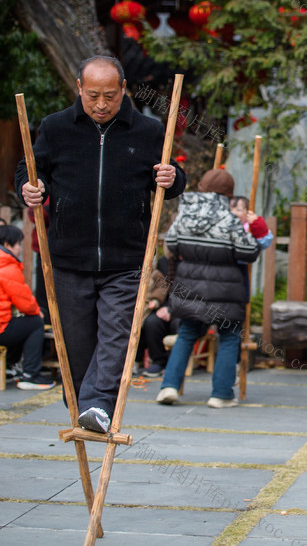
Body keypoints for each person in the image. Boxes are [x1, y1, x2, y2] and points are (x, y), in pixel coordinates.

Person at [17, 55, 185, 433]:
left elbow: (174, 179)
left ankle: (97, 406)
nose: (101, 103)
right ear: (79, 88)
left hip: (126, 257)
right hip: (67, 258)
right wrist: (29, 187)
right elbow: (30, 169)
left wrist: (171, 177)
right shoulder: (56, 127)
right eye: (93, 95)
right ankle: (81, 402)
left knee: (117, 335)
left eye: (110, 95)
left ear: (123, 90)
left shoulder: (148, 131)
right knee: (75, 344)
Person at [156, 169, 259, 408]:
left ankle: (169, 386)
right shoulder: (230, 219)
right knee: (230, 335)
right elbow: (249, 252)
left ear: (201, 186)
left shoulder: (185, 213)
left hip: (189, 286)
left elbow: (170, 246)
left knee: (187, 333)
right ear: (228, 194)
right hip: (226, 289)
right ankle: (221, 394)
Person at [0, 225, 56, 390]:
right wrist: (38, 312)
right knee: (34, 323)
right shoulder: (7, 266)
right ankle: (30, 375)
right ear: (8, 244)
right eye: (18, 244)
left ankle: (10, 366)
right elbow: (25, 303)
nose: (19, 249)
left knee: (18, 323)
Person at [136, 256, 176, 378]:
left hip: (185, 308)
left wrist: (171, 309)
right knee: (150, 322)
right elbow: (162, 288)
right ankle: (158, 361)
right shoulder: (163, 262)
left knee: (179, 325)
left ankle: (175, 363)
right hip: (161, 306)